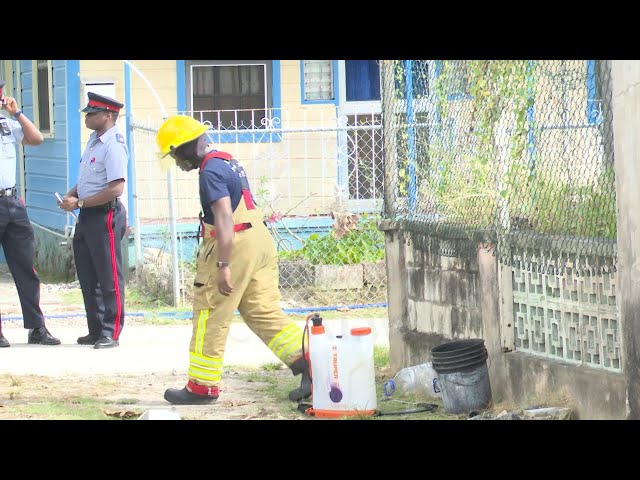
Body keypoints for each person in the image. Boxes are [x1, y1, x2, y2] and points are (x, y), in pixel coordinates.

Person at [155, 115, 312, 405]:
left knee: (209, 313)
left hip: (234, 244)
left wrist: (223, 266)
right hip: (259, 242)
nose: (177, 163)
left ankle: (201, 387)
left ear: (187, 147)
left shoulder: (209, 172)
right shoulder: (227, 161)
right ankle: (311, 364)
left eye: (176, 154)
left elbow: (225, 219)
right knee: (262, 311)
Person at [58, 92, 127, 349]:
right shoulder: (94, 142)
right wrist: (73, 195)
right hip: (87, 216)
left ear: (108, 116)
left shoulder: (114, 145)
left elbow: (116, 188)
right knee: (88, 276)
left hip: (104, 215)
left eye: (93, 113)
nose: (87, 117)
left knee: (109, 277)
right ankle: (96, 329)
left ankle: (111, 331)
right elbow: (89, 179)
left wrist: (80, 203)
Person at [0, 80, 60, 348]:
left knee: (26, 268)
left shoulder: (8, 124)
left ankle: (37, 328)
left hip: (11, 201)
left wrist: (17, 113)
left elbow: (35, 139)